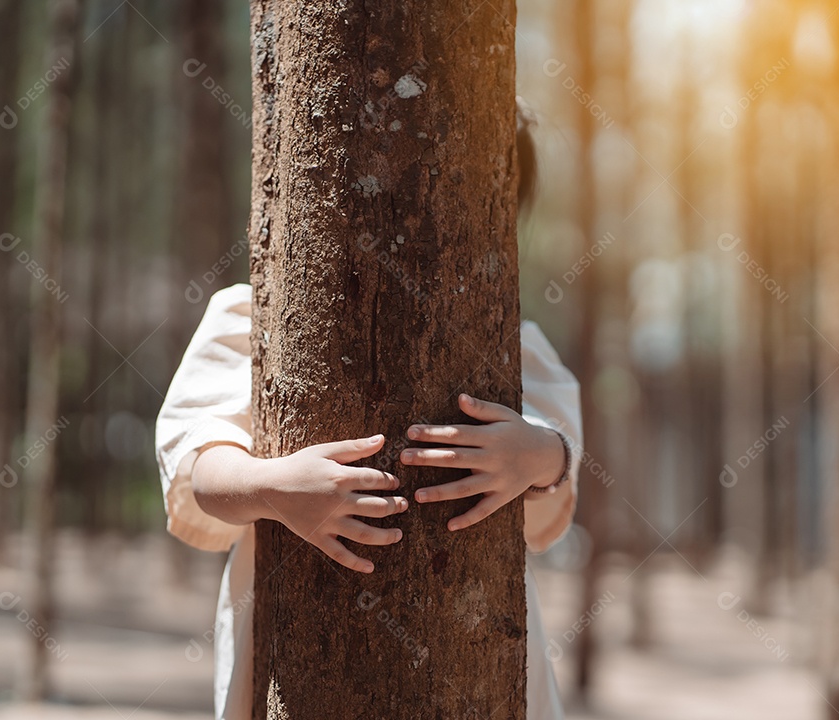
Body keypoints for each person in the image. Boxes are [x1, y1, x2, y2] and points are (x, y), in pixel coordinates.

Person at [154, 103, 581, 719]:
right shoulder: (257, 319)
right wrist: (273, 486)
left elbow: (557, 486)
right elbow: (199, 474)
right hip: (294, 660)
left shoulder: (512, 346)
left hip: (479, 659)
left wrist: (539, 454)